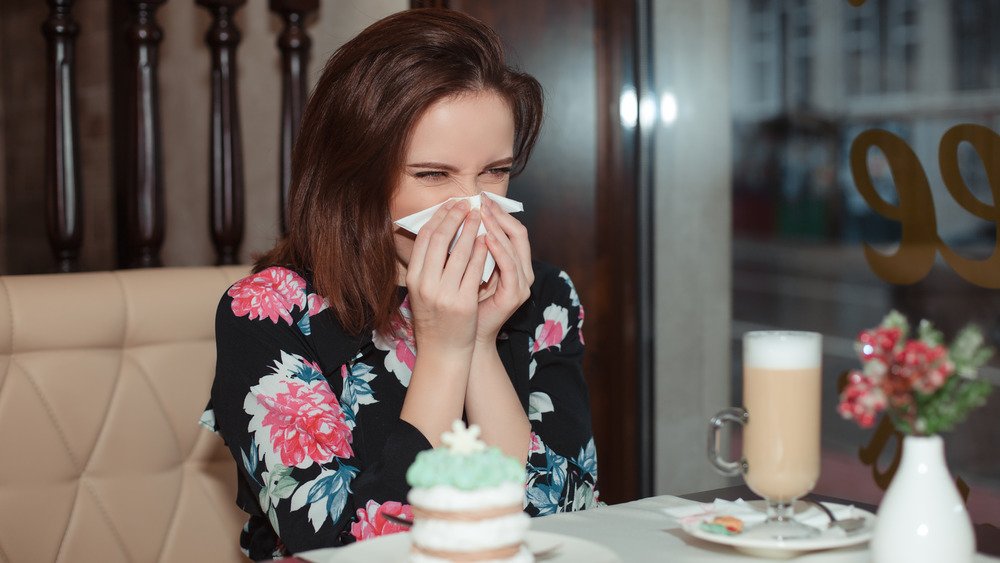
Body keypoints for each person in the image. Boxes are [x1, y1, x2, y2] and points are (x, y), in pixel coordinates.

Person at [200, 8, 599, 559]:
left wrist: (481, 343)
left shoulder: (542, 296)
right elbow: (348, 547)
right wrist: (442, 351)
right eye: (434, 175)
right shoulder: (268, 312)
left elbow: (567, 524)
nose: (472, 204)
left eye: (495, 171)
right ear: (355, 177)